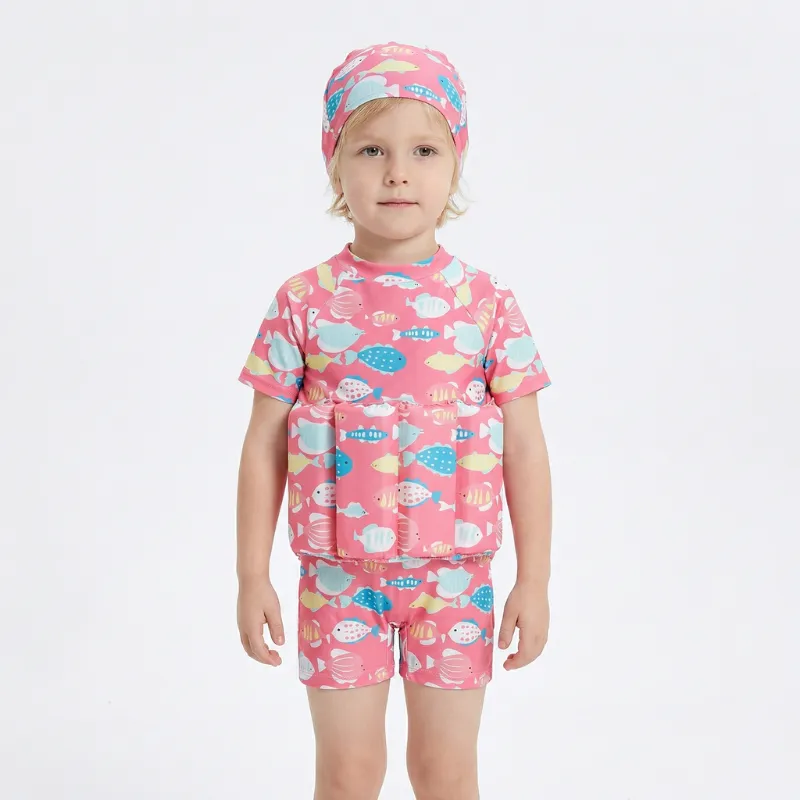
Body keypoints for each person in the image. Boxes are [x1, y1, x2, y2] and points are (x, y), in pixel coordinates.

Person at [236, 41, 553, 800]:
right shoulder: (303, 301)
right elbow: (263, 446)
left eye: (424, 150)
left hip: (457, 587)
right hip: (337, 586)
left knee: (445, 774)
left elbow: (525, 450)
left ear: (456, 163)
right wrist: (251, 575)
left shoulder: (487, 304)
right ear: (335, 165)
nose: (398, 172)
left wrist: (534, 580)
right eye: (372, 149)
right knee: (349, 775)